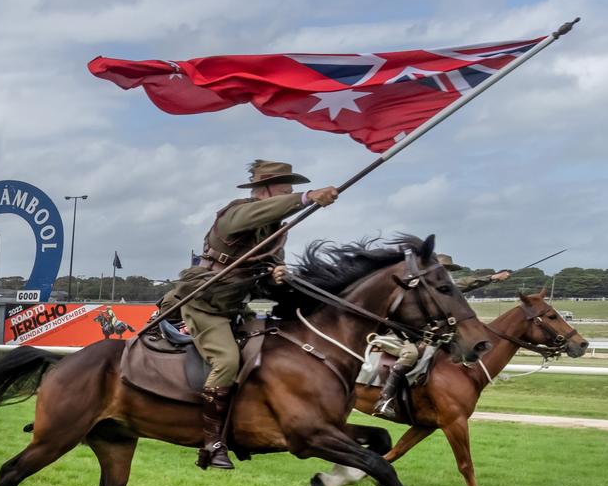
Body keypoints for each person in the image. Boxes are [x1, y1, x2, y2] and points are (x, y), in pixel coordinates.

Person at [159, 160, 339, 469]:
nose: (289, 191)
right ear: (264, 189)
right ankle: (212, 443)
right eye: (285, 187)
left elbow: (266, 271)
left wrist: (276, 274)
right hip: (207, 306)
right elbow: (263, 212)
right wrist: (306, 198)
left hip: (241, 307)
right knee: (227, 361)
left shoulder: (276, 230)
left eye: (292, 188)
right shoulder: (237, 212)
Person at [370, 254, 512, 418]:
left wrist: (493, 278)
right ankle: (385, 399)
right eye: (444, 269)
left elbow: (463, 284)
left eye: (448, 270)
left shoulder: (441, 289)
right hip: (396, 334)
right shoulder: (422, 287)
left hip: (418, 335)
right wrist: (492, 277)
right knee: (412, 354)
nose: (446, 273)